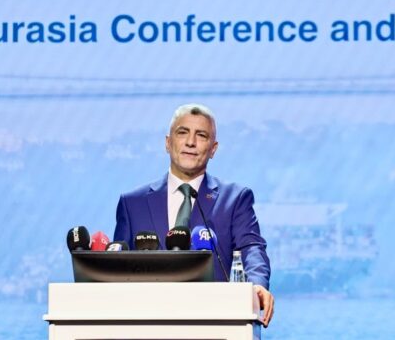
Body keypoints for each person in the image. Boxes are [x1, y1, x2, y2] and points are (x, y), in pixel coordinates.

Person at [113, 103, 275, 327]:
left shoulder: (235, 199)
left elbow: (251, 248)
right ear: (168, 143)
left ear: (213, 149)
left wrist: (257, 285)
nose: (191, 142)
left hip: (216, 325)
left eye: (201, 135)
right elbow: (118, 271)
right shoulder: (132, 204)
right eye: (182, 133)